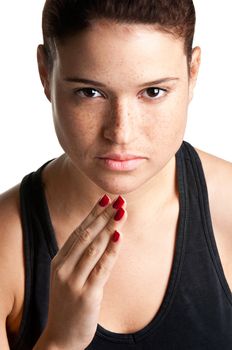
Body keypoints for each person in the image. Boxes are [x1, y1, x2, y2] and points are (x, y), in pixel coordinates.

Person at [0, 0, 232, 349]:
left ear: (193, 71)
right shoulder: (5, 243)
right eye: (89, 93)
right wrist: (60, 342)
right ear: (46, 73)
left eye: (153, 92)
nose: (121, 132)